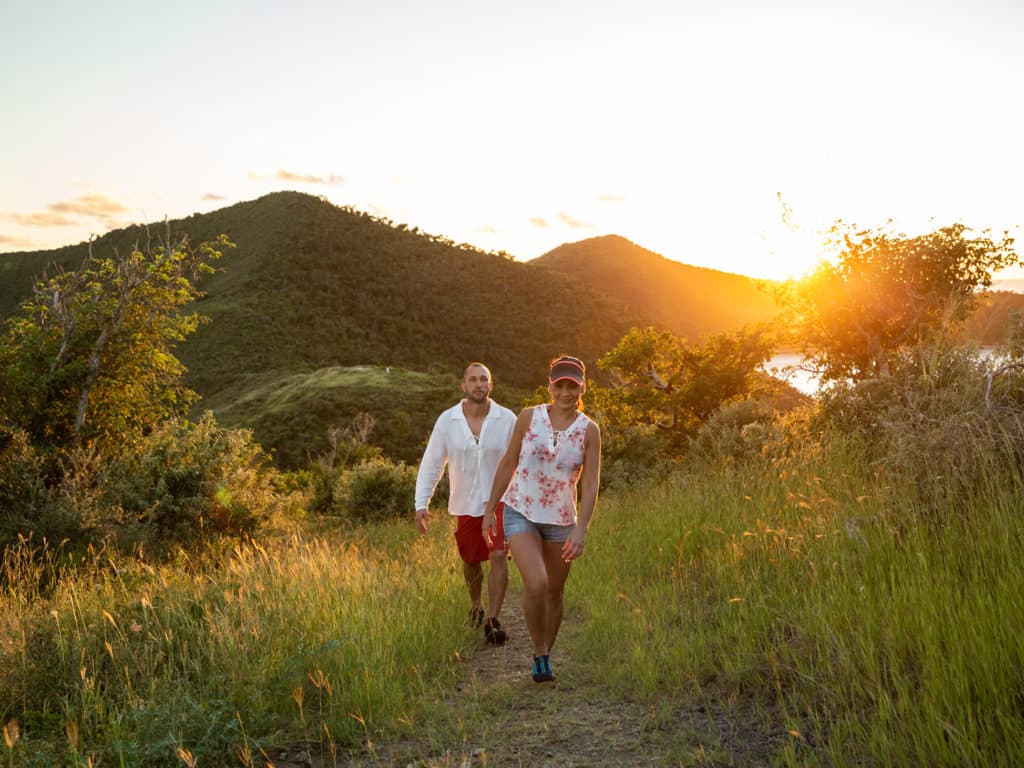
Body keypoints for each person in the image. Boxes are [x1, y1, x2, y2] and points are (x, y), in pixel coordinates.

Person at [483, 355, 601, 682]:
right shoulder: (528, 417)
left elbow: (591, 481)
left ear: (582, 388)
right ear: (550, 385)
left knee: (555, 593)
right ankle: (540, 651)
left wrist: (581, 529)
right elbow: (508, 463)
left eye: (572, 386)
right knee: (537, 582)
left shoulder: (589, 430)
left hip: (561, 519)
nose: (565, 392)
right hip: (520, 509)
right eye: (559, 385)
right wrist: (490, 509)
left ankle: (545, 651)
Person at [415, 362, 517, 645]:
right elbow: (432, 463)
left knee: (498, 555)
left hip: (499, 500)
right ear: (463, 386)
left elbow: (518, 461)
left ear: (491, 385)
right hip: (465, 503)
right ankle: (476, 604)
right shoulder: (447, 420)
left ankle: (493, 620)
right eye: (473, 379)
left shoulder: (507, 419)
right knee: (471, 560)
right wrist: (421, 502)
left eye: (484, 379)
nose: (478, 384)